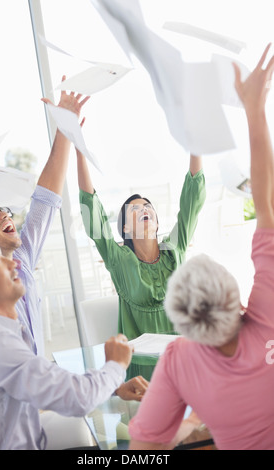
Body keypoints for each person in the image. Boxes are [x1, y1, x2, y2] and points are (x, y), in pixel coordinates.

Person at [128, 44, 274, 451]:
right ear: (237, 295)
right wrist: (254, 108)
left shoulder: (179, 360)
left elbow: (144, 449)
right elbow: (267, 202)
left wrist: (191, 420)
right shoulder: (267, 314)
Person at [0, 222, 150, 450]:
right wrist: (116, 365)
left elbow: (48, 384)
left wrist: (114, 388)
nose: (13, 262)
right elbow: (80, 398)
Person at [77, 115, 205, 380]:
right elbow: (93, 213)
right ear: (124, 229)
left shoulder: (174, 249)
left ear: (157, 222)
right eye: (135, 209)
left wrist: (195, 139)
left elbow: (192, 199)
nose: (144, 208)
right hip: (144, 372)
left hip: (186, 360)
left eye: (148, 207)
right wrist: (79, 148)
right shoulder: (119, 260)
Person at [0, 79, 90, 357]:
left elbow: (46, 198)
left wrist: (64, 128)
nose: (4, 214)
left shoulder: (22, 258)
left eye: (6, 209)